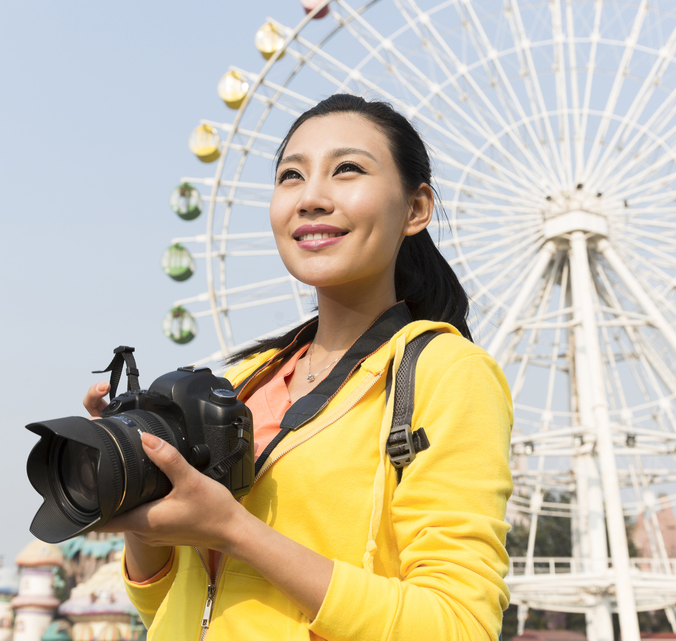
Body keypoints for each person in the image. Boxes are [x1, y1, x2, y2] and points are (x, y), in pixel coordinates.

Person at [83, 94, 513, 640]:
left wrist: (234, 531)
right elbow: (177, 610)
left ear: (415, 210)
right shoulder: (242, 383)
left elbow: (458, 627)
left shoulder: (446, 373)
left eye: (347, 169)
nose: (311, 198)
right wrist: (139, 510)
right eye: (291, 176)